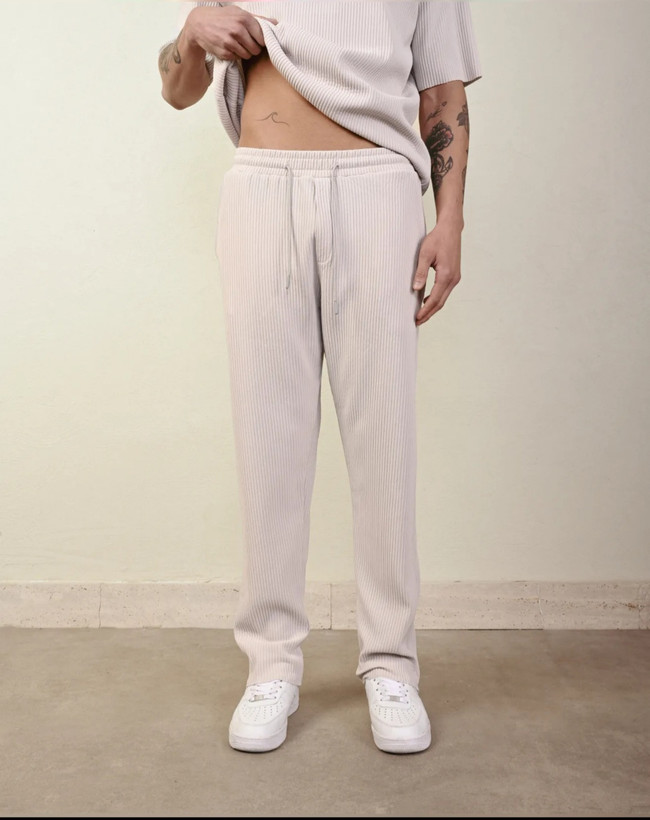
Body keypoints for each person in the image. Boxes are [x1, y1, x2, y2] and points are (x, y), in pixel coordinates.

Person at [158, 0, 482, 755]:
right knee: (268, 439)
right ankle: (270, 664)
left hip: (379, 186)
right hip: (261, 187)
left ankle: (391, 664)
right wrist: (192, 31)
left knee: (385, 441)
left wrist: (450, 221)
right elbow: (178, 89)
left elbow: (442, 94)